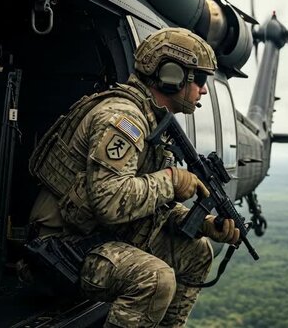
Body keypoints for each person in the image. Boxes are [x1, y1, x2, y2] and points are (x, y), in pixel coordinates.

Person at [27, 27, 240, 327]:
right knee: (155, 280)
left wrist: (205, 225)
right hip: (61, 246)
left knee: (198, 252)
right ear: (172, 76)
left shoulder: (150, 119)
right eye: (201, 79)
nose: (204, 89)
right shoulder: (124, 119)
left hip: (98, 236)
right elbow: (111, 201)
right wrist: (172, 180)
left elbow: (145, 203)